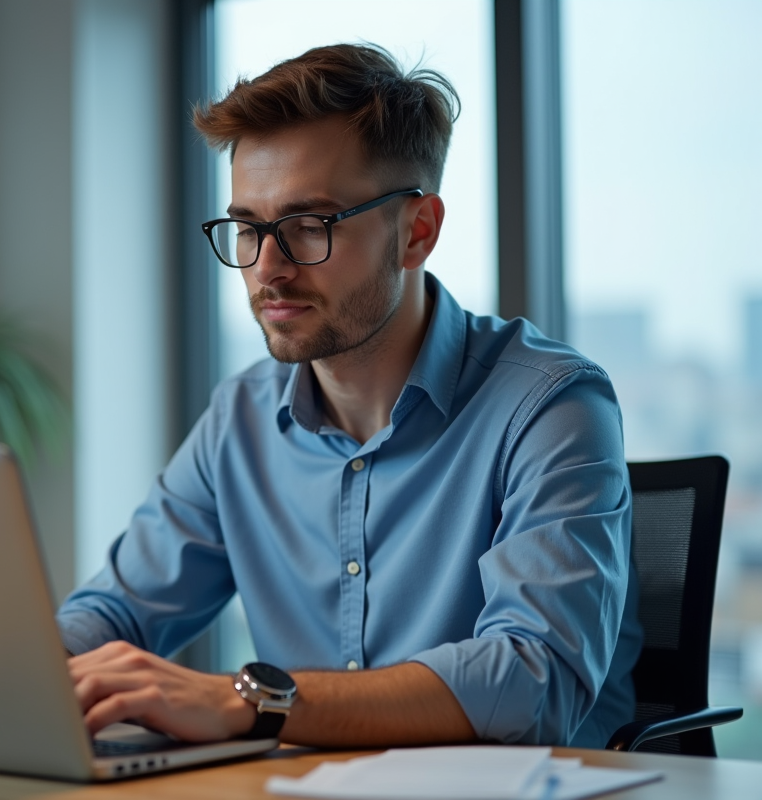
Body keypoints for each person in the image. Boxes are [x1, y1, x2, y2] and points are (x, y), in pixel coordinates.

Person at [56, 43, 641, 750]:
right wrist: (19, 673)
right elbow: (116, 612)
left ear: (417, 232)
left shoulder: (551, 406)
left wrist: (249, 701)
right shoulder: (240, 420)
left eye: (309, 227)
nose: (267, 269)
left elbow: (531, 680)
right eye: (248, 229)